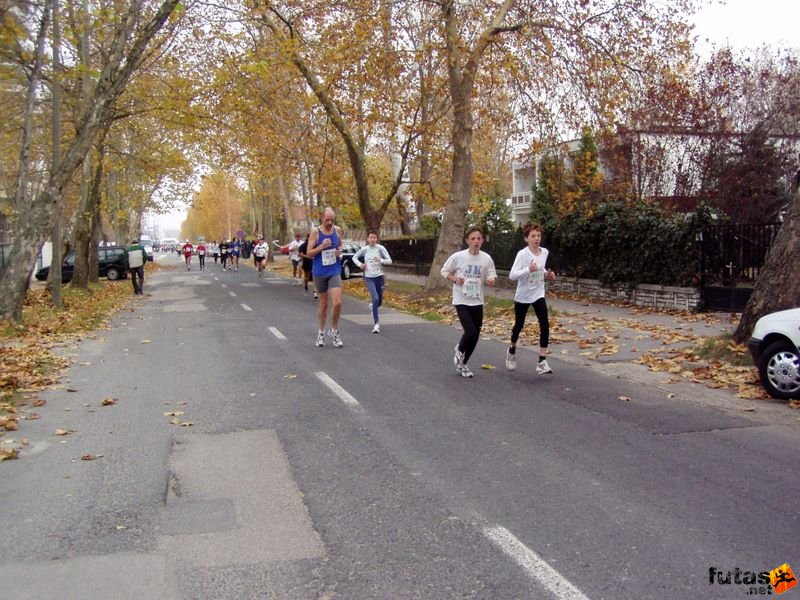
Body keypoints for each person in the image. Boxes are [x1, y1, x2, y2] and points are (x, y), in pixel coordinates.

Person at [441, 226, 497, 378]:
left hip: (477, 300)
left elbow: (491, 274)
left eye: (479, 238)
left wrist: (491, 280)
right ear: (467, 241)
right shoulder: (458, 257)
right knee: (470, 331)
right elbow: (444, 271)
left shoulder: (486, 258)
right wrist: (455, 279)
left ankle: (463, 364)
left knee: (476, 334)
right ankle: (460, 350)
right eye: (473, 238)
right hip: (461, 299)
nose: (476, 241)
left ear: (482, 241)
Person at [506, 223, 555, 375]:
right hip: (523, 295)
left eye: (538, 236)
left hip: (538, 293)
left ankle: (542, 360)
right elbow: (512, 275)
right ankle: (512, 348)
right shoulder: (522, 254)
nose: (536, 239)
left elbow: (542, 269)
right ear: (526, 238)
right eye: (533, 236)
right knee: (519, 325)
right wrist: (528, 269)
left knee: (545, 323)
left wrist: (547, 275)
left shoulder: (544, 252)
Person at [308, 207, 344, 347]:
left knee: (338, 302)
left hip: (334, 270)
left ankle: (334, 331)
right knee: (323, 304)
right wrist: (321, 247)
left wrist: (339, 252)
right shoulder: (316, 232)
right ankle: (321, 333)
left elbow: (340, 246)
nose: (329, 222)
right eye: (327, 219)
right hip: (319, 272)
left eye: (332, 220)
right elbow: (309, 253)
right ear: (322, 218)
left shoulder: (338, 230)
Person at [352, 231, 392, 333]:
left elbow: (390, 261)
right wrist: (360, 264)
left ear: (376, 239)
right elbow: (354, 257)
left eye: (374, 237)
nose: (373, 239)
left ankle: (373, 306)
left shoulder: (380, 248)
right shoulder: (365, 249)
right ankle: (376, 324)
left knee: (379, 301)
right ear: (367, 239)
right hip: (369, 278)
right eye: (371, 237)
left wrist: (381, 260)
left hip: (379, 277)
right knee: (375, 298)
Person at [298, 233, 316, 298]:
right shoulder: (304, 245)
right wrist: (306, 256)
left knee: (315, 276)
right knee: (306, 277)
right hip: (306, 262)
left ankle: (315, 292)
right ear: (307, 238)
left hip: (315, 262)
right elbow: (299, 254)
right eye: (310, 237)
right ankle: (306, 287)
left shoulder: (315, 244)